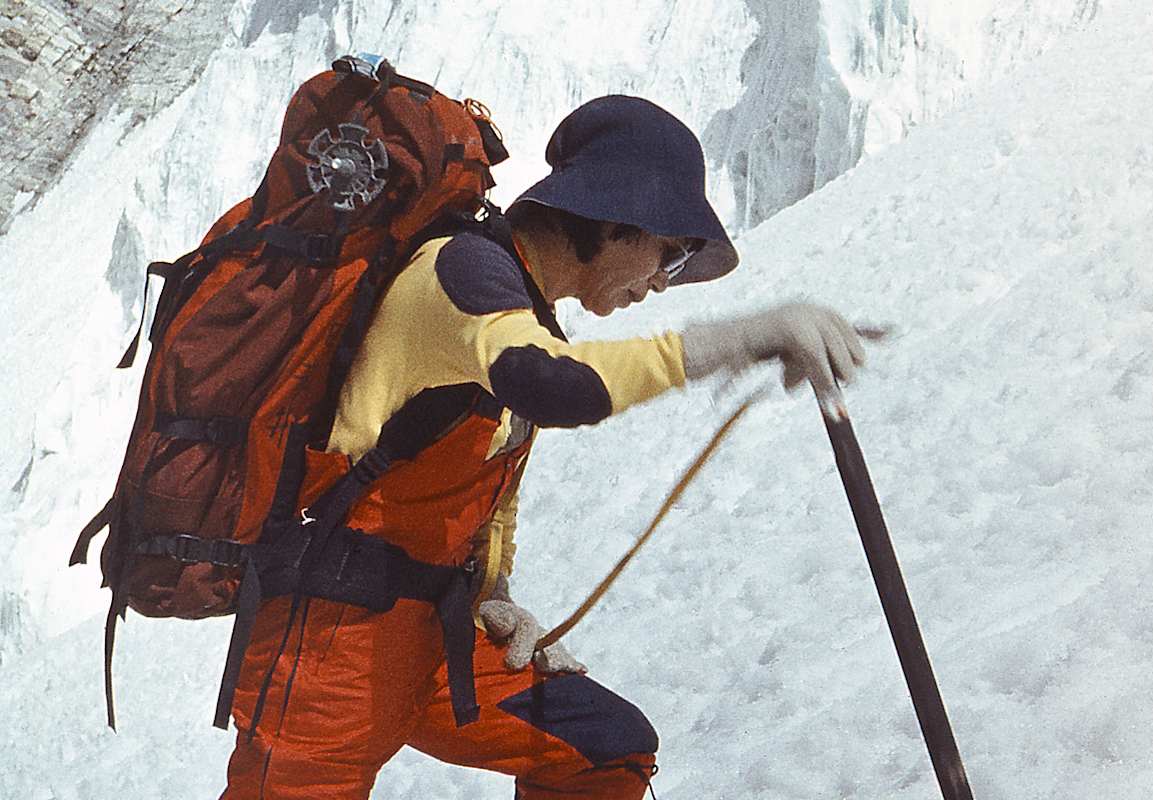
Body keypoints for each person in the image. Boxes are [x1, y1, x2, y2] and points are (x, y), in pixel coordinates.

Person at [221, 94, 865, 799]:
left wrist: (492, 592)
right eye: (669, 255)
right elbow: (552, 385)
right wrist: (741, 338)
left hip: (431, 636)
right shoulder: (461, 273)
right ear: (615, 219)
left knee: (603, 750)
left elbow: (484, 477)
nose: (659, 282)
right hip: (327, 651)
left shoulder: (520, 306)